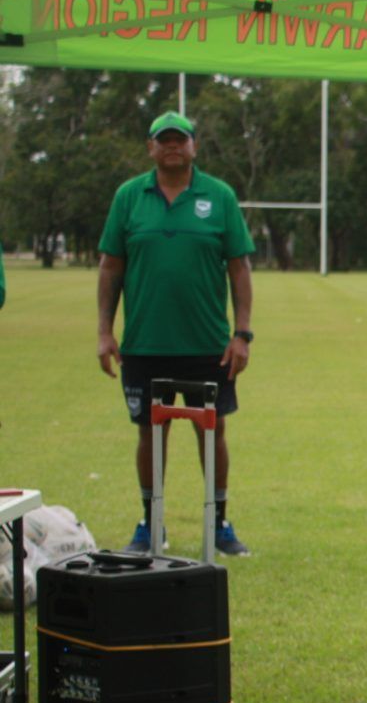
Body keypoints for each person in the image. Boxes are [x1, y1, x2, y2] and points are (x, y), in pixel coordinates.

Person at [96, 111, 254, 556]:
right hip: (145, 344)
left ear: (193, 147)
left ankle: (218, 522)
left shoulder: (218, 196)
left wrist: (242, 333)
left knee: (212, 432)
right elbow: (111, 265)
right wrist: (105, 331)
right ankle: (152, 522)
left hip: (207, 345)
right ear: (150, 148)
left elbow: (239, 267)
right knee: (151, 433)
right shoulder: (129, 196)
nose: (171, 146)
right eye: (162, 140)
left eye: (179, 139)